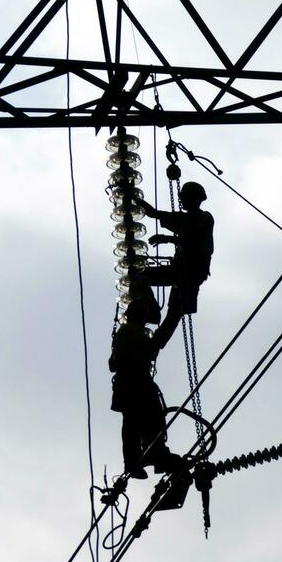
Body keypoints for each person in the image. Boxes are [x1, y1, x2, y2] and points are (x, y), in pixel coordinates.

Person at [139, 181, 214, 351]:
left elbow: (193, 240)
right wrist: (136, 198)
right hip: (182, 271)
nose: (184, 202)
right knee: (173, 312)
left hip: (190, 272)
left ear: (195, 199)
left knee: (174, 312)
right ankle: (153, 342)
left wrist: (167, 238)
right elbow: (153, 213)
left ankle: (154, 338)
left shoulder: (205, 218)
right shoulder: (183, 218)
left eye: (186, 198)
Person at [110, 296, 175, 478]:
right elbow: (153, 346)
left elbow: (113, 363)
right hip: (134, 385)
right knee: (143, 420)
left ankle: (146, 455)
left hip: (132, 385)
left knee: (139, 422)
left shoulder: (126, 332)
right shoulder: (129, 331)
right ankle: (147, 455)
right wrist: (172, 319)